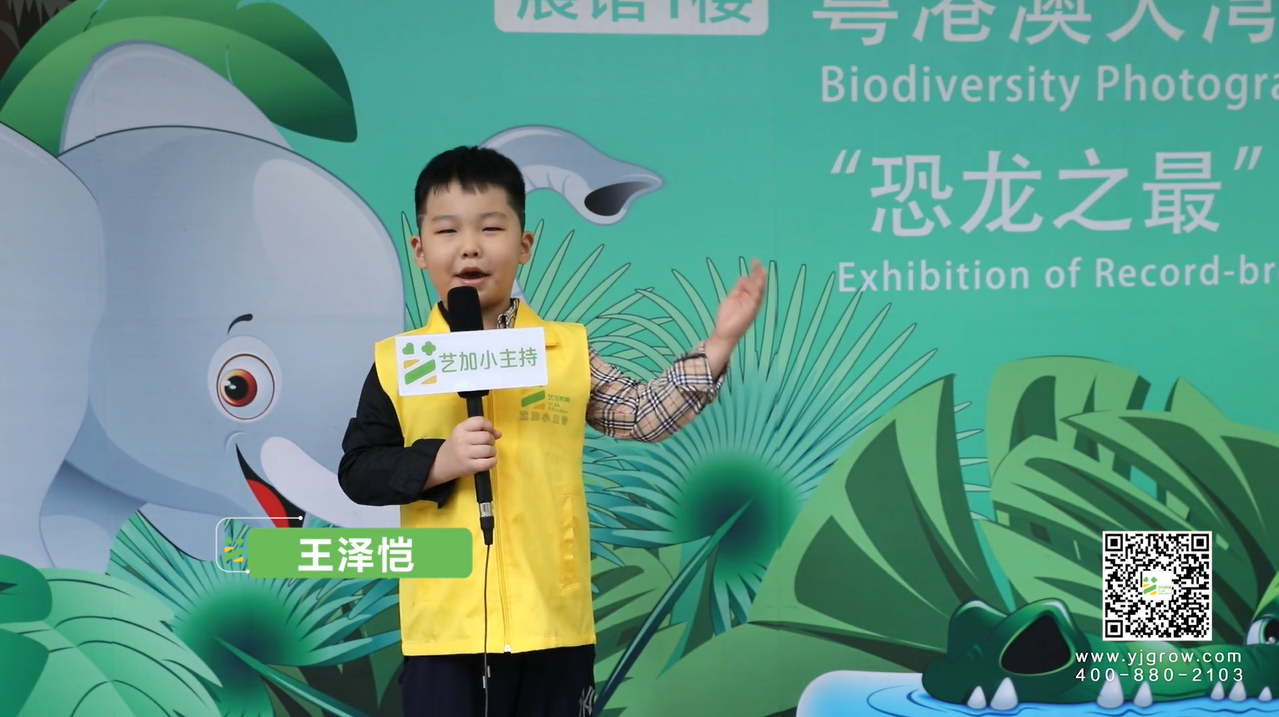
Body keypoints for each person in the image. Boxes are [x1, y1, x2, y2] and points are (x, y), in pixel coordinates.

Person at [337, 145, 766, 717]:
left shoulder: (563, 351)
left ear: (524, 244)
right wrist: (439, 462)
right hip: (446, 631)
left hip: (552, 624)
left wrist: (719, 343)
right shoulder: (399, 363)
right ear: (420, 249)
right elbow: (358, 470)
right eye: (448, 230)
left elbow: (640, 414)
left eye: (491, 228)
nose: (470, 246)